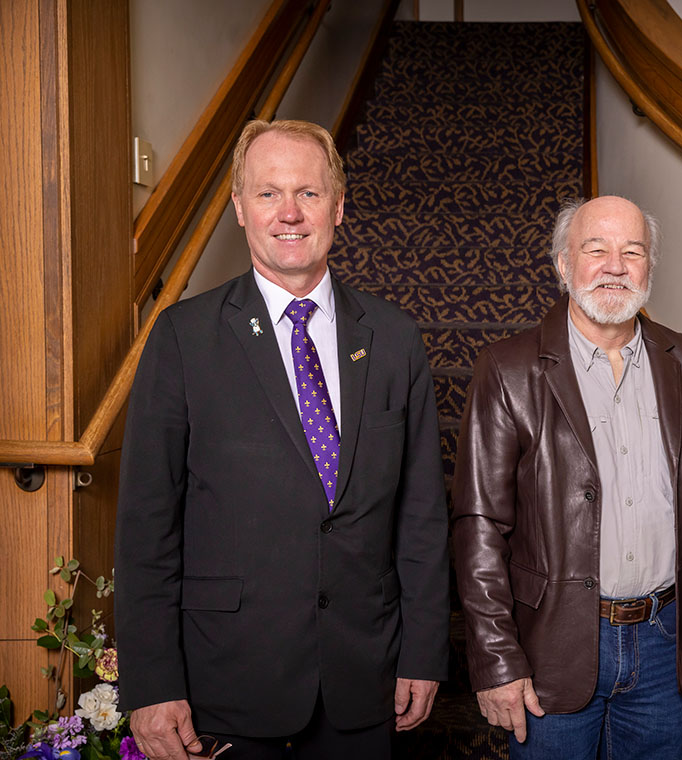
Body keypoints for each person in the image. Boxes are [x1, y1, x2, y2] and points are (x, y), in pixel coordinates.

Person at [114, 119, 450, 760]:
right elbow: (145, 528)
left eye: (309, 193)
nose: (289, 213)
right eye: (268, 194)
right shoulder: (183, 338)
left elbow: (422, 515)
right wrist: (151, 684)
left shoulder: (394, 337)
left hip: (364, 677)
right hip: (225, 682)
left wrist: (425, 651)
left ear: (339, 208)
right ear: (240, 208)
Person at [451, 195, 682, 759]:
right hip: (553, 644)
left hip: (667, 643)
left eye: (632, 251)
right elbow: (479, 527)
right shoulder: (508, 368)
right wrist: (495, 657)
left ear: (649, 268)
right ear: (564, 264)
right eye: (597, 249)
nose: (615, 266)